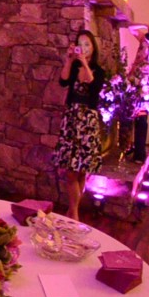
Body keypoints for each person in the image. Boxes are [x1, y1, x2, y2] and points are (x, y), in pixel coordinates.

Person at [52, 29, 105, 221]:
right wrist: (69, 60)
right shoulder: (74, 67)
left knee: (82, 170)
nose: (83, 47)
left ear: (92, 48)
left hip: (88, 124)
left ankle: (72, 212)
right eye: (80, 43)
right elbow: (63, 81)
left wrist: (84, 63)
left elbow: (94, 85)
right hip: (72, 120)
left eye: (87, 44)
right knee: (70, 172)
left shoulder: (99, 71)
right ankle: (74, 213)